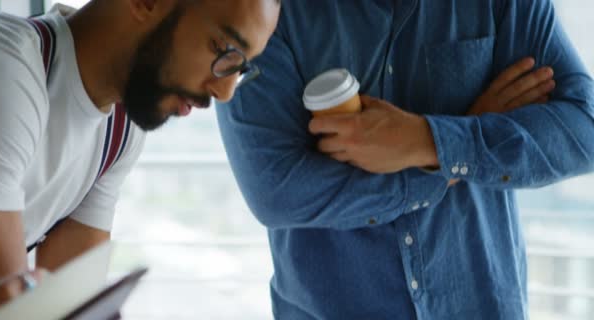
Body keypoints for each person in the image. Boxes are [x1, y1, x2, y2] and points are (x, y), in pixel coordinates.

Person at [216, 0, 594, 319]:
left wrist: (426, 140)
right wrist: (447, 160)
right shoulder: (267, 10)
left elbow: (584, 127)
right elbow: (277, 189)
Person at [0, 0, 280, 311]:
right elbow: (15, 312)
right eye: (223, 49)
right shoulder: (6, 68)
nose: (226, 92)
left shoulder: (119, 131)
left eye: (240, 67)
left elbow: (70, 307)